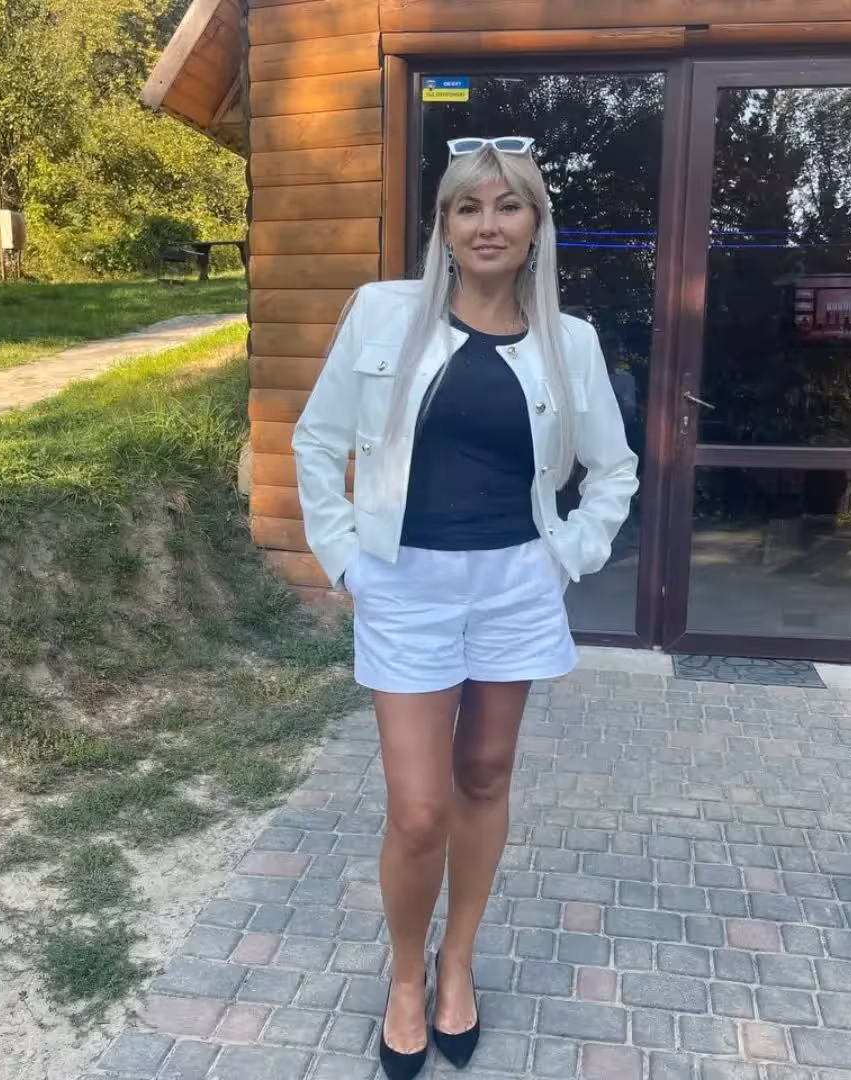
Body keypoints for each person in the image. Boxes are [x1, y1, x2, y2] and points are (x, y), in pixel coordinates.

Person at [292, 136, 639, 1079]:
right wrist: (345, 563)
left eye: (508, 205)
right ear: (444, 226)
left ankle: (457, 963)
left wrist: (567, 555)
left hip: (514, 582)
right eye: (468, 207)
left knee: (484, 775)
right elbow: (317, 441)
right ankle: (405, 976)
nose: (489, 224)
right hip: (405, 584)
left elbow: (613, 470)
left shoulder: (571, 342)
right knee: (417, 809)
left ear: (535, 226)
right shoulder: (383, 313)